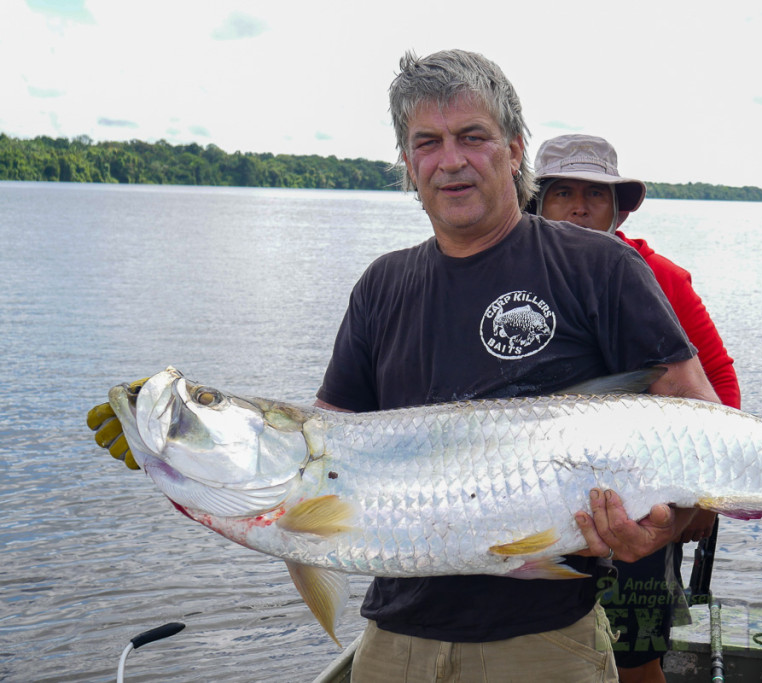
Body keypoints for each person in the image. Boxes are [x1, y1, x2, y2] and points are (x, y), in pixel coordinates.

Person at [90, 49, 722, 682]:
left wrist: (670, 529)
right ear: (407, 162)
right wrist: (178, 459)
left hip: (543, 646)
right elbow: (326, 452)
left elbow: (708, 440)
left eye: (473, 137)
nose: (451, 160)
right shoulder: (381, 285)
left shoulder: (601, 268)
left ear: (514, 148)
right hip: (393, 642)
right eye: (428, 142)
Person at [529, 133, 741, 683]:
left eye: (595, 195)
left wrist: (705, 500)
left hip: (643, 494)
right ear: (537, 202)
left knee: (636, 656)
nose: (578, 207)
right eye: (562, 193)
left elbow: (717, 382)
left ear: (617, 208)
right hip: (540, 494)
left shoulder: (659, 277)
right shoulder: (515, 279)